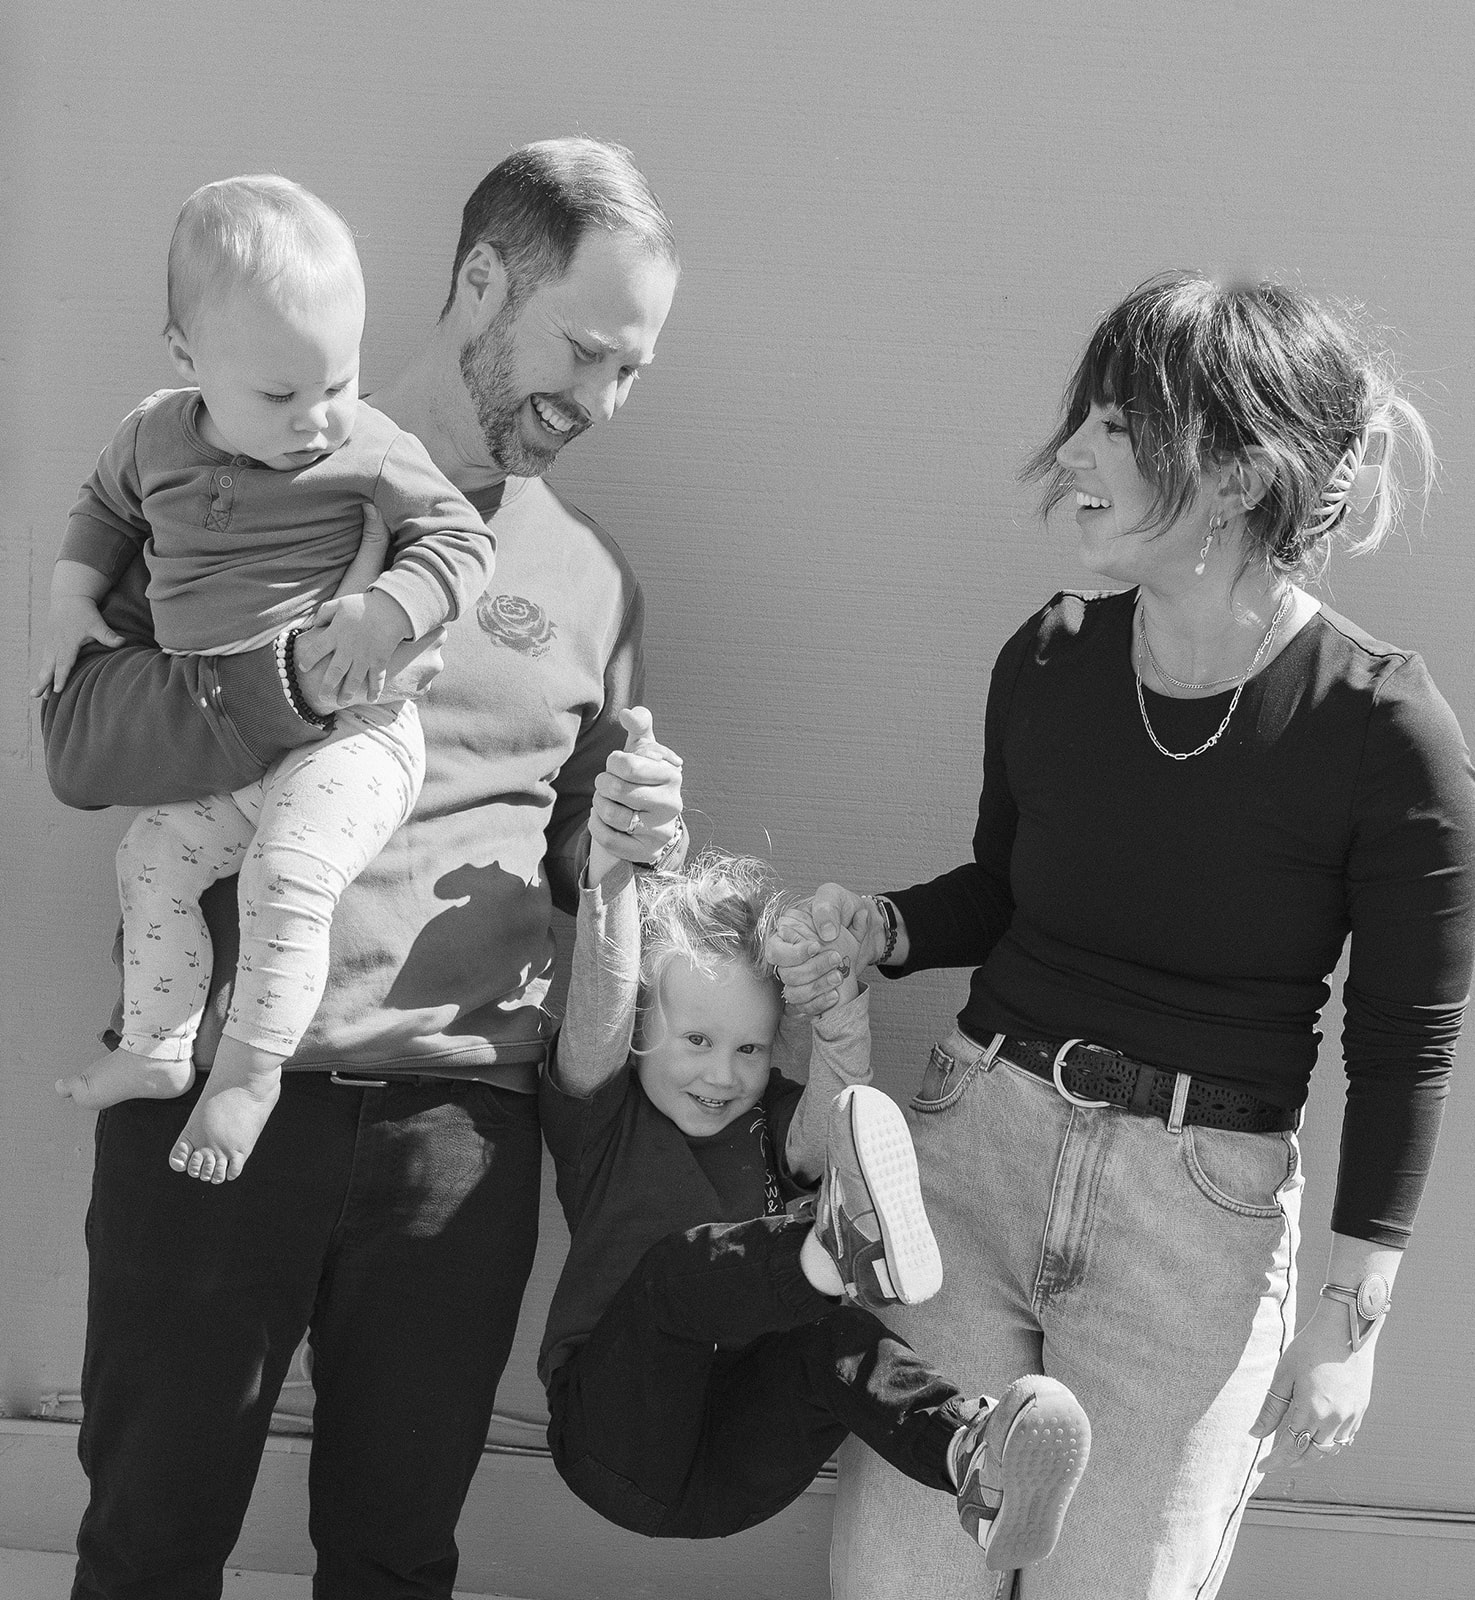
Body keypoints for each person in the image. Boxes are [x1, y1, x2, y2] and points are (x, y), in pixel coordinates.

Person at [43, 138, 685, 1600]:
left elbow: (576, 846)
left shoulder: (594, 577)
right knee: (148, 1545)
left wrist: (626, 839)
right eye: (583, 351)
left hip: (458, 1138)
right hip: (210, 1094)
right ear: (478, 283)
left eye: (629, 372)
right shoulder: (219, 468)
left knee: (397, 1559)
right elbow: (80, 750)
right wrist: (301, 680)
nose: (598, 402)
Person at [773, 273, 1475, 1600]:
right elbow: (1003, 892)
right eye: (1085, 416)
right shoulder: (1047, 657)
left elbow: (1402, 1043)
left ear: (1230, 469)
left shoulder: (1384, 732)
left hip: (1192, 1221)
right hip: (973, 1160)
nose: (1073, 455)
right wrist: (880, 927)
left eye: (1119, 422)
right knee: (896, 1580)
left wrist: (1347, 1317)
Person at [539, 718, 1090, 1570]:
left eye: (750, 1049)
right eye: (696, 1041)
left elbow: (840, 1097)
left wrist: (833, 1000)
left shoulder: (774, 1127)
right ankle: (832, 1252)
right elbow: (604, 989)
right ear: (644, 1032)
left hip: (736, 1467)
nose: (723, 1073)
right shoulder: (602, 1117)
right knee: (679, 1275)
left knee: (827, 1341)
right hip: (618, 1438)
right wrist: (611, 868)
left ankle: (972, 1459)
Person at [41, 173, 501, 1183]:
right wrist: (73, 600)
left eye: (338, 383)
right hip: (233, 747)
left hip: (353, 737)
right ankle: (160, 1045)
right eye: (282, 395)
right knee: (152, 856)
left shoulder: (368, 448)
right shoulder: (153, 436)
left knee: (287, 876)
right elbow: (105, 509)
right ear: (186, 357)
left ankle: (245, 1073)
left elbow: (458, 539)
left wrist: (391, 608)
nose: (319, 419)